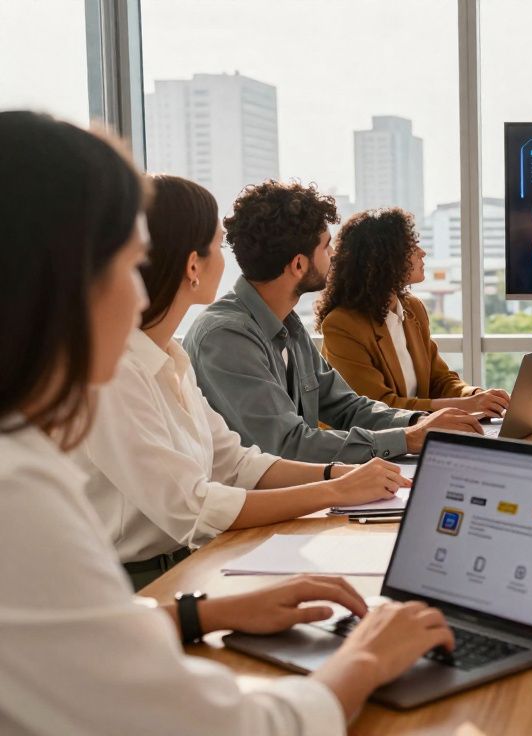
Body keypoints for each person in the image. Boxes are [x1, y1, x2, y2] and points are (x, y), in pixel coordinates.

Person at [0, 110, 453, 734]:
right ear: (59, 275)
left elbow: (68, 632)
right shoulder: (16, 487)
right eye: (130, 266)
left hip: (176, 582)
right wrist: (367, 657)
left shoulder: (159, 365)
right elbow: (224, 727)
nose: (138, 296)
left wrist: (204, 614)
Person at [73, 175, 413, 590]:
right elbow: (194, 508)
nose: (229, 259)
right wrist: (336, 490)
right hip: (134, 586)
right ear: (192, 266)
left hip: (194, 560)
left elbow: (235, 463)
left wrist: (335, 474)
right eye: (218, 245)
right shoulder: (113, 373)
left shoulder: (169, 361)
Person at [184, 180, 481, 464]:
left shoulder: (288, 326)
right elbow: (287, 445)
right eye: (326, 247)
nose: (335, 255)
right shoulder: (225, 337)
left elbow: (347, 406)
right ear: (299, 265)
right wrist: (406, 437)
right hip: (255, 508)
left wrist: (422, 423)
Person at [317, 207, 510, 415]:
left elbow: (440, 380)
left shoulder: (413, 309)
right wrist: (466, 406)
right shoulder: (342, 325)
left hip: (418, 435)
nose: (422, 252)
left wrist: (477, 395)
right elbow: (377, 409)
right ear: (385, 258)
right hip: (374, 443)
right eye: (412, 246)